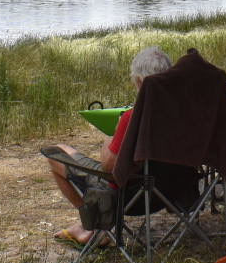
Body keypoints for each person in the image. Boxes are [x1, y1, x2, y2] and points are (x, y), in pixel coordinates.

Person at [48, 45, 172, 245]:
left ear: (139, 81)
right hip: (169, 191)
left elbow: (108, 167)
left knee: (56, 155)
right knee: (64, 150)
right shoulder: (183, 115)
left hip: (128, 195)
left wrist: (113, 135)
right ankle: (88, 226)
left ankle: (92, 225)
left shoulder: (133, 117)